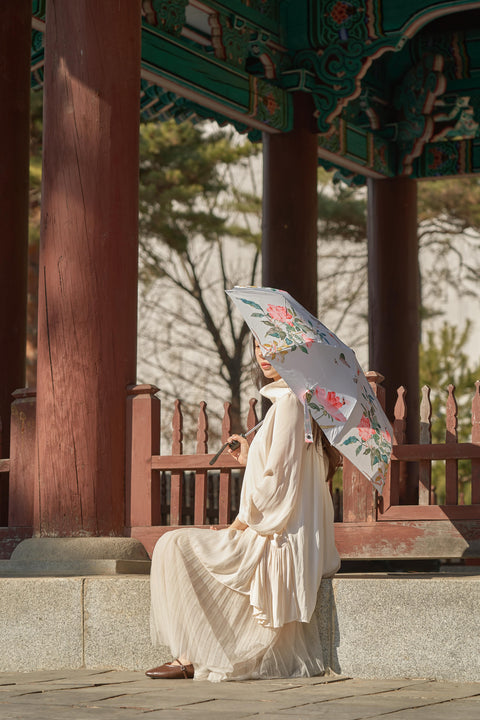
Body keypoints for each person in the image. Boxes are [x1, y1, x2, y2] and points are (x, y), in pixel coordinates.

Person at [146, 340, 341, 682]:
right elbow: (283, 473)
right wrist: (251, 458)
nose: (263, 355)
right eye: (258, 346)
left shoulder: (290, 407)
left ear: (295, 353)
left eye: (274, 347)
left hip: (276, 538)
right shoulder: (295, 406)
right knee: (175, 545)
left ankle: (191, 655)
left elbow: (277, 485)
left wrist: (236, 526)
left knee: (173, 545)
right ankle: (190, 654)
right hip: (280, 530)